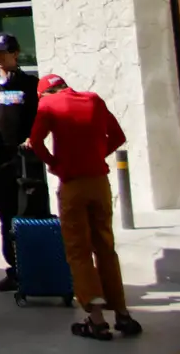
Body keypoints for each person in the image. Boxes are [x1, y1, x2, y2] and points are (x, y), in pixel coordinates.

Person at [29, 75, 142, 341]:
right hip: (99, 183)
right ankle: (123, 315)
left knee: (79, 251)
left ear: (43, 93)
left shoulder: (47, 105)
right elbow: (117, 136)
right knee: (105, 247)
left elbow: (35, 142)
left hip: (73, 185)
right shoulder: (93, 100)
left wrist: (55, 164)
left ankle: (97, 321)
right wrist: (94, 155)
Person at [0, 31, 50, 291]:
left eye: (3, 52)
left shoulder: (31, 83)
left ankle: (39, 269)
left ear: (15, 54)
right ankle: (14, 270)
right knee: (6, 214)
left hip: (26, 157)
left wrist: (34, 139)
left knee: (33, 211)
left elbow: (42, 116)